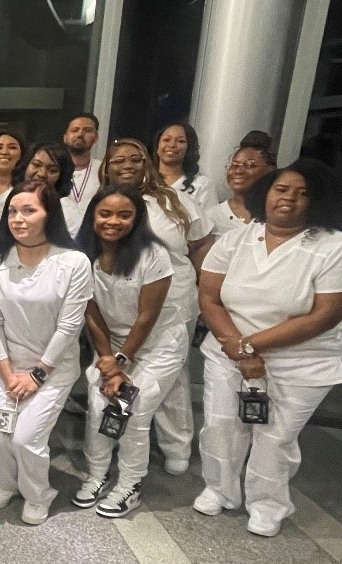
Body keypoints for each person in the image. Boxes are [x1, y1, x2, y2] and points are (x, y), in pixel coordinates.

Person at [194, 159, 342, 538]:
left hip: (300, 363)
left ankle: (268, 504)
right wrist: (237, 349)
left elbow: (321, 317)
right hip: (228, 352)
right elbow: (209, 296)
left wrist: (250, 347)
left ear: (317, 201)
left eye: (303, 193)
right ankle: (219, 488)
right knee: (221, 425)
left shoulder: (339, 249)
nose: (289, 199)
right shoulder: (238, 237)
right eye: (282, 189)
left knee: (274, 437)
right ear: (265, 193)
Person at [0, 183, 90, 525]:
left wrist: (38, 375)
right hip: (5, 365)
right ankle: (5, 482)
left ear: (49, 215)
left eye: (29, 211)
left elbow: (69, 329)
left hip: (53, 368)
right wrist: (9, 374)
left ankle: (39, 493)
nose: (18, 219)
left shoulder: (73, 262)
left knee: (26, 438)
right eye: (12, 211)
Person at [101, 138, 212, 476]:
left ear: (147, 162)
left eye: (136, 159)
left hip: (174, 304)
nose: (128, 165)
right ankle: (127, 436)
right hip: (120, 303)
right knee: (126, 370)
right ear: (106, 167)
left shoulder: (174, 201)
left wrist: (204, 292)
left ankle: (175, 444)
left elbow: (202, 245)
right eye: (118, 160)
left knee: (172, 376)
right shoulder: (103, 202)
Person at [72, 186, 176, 520]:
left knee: (135, 403)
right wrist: (108, 362)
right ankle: (97, 474)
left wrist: (121, 362)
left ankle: (130, 484)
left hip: (155, 345)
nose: (113, 221)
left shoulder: (153, 254)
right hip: (111, 347)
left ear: (137, 218)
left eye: (124, 214)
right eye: (105, 213)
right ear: (93, 216)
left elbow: (148, 316)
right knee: (99, 402)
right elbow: (91, 313)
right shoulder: (81, 254)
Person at [206, 131, 277, 237]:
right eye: (234, 165)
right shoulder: (211, 218)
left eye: (250, 165)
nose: (239, 171)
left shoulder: (278, 215)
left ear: (270, 170)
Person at [155, 122, 220, 210]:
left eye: (180, 141)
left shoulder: (202, 185)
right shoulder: (144, 180)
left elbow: (208, 222)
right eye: (166, 140)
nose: (172, 145)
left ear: (189, 148)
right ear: (157, 145)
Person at [61, 113, 103, 237]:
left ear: (95, 138)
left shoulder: (104, 170)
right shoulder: (54, 169)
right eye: (75, 130)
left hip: (94, 240)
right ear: (65, 137)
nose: (80, 134)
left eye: (87, 130)